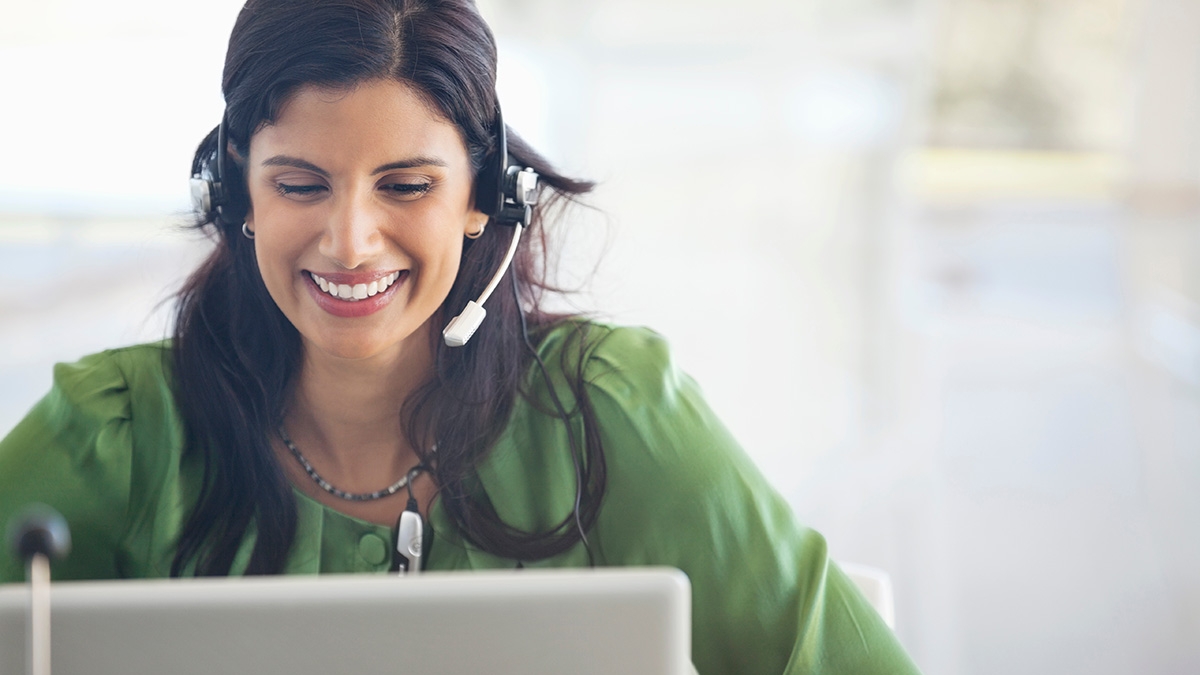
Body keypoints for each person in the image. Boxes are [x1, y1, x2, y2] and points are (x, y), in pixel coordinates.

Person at [0, 1, 921, 673]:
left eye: (406, 186)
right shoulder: (114, 432)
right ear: (237, 192)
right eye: (300, 184)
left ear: (484, 197)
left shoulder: (610, 409)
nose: (350, 241)